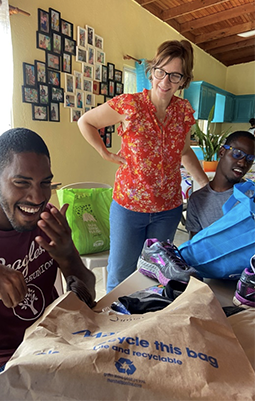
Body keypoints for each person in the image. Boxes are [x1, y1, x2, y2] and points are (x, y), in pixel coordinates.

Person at [0, 128, 95, 400]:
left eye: (45, 183)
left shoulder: (44, 218)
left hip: (56, 347)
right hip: (0, 373)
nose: (38, 198)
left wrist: (67, 256)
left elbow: (88, 294)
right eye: (22, 182)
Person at [78, 40, 209, 292]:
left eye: (174, 75)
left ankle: (143, 321)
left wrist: (203, 183)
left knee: (156, 274)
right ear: (152, 71)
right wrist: (104, 153)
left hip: (168, 209)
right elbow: (86, 122)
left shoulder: (184, 112)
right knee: (120, 274)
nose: (164, 81)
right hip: (128, 207)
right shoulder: (129, 105)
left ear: (183, 80)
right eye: (160, 71)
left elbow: (182, 150)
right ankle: (115, 324)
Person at [186, 130, 255, 238]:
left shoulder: (251, 196)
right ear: (222, 152)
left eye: (250, 158)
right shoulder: (197, 200)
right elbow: (195, 247)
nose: (243, 163)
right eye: (237, 154)